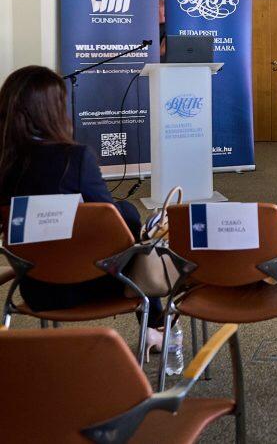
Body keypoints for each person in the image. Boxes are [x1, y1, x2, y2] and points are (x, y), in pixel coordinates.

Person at [0, 65, 165, 358]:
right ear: (52, 111)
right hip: (88, 284)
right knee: (134, 231)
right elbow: (114, 222)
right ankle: (156, 328)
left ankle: (155, 328)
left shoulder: (5, 164)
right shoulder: (73, 159)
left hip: (36, 289)